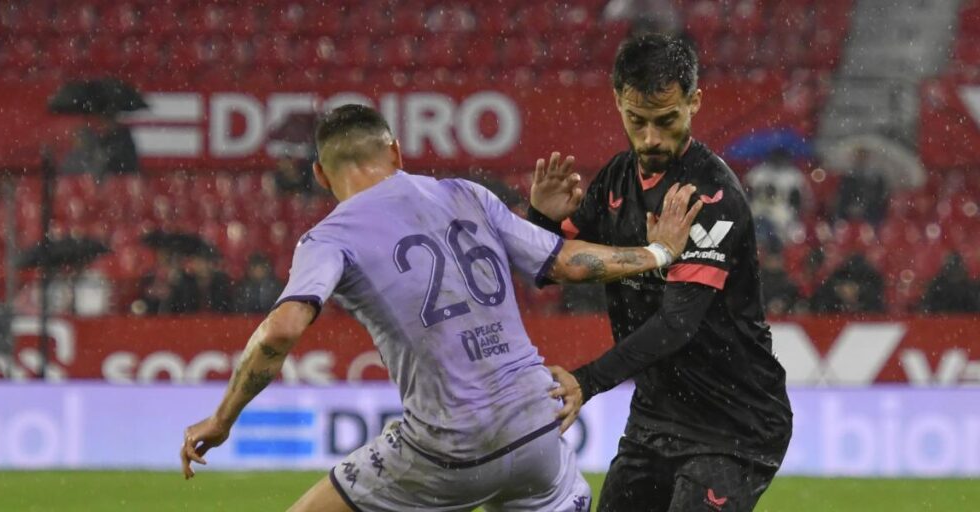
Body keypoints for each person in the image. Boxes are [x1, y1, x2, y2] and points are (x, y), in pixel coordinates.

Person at [180, 104, 703, 512]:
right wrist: (658, 252)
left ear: (320, 174)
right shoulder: (467, 194)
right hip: (539, 429)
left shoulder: (328, 237)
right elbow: (567, 262)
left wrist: (222, 419)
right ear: (396, 152)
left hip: (450, 445)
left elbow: (280, 332)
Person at [529, 34, 792, 511]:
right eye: (637, 120)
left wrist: (586, 381)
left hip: (733, 423)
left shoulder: (711, 197)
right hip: (655, 417)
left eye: (666, 120)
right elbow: (550, 269)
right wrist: (541, 219)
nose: (650, 138)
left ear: (694, 102)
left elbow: (677, 324)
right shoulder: (615, 178)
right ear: (618, 101)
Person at [809, 253, 885, 314]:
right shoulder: (828, 305)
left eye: (851, 287)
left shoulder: (873, 305)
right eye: (844, 288)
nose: (847, 291)